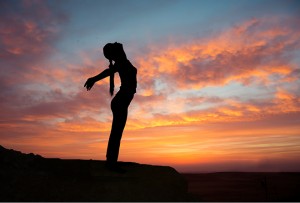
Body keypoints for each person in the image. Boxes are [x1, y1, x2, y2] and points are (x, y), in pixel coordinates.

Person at [84, 42, 137, 173]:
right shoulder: (122, 62)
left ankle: (111, 161)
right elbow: (108, 71)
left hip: (122, 101)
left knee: (117, 132)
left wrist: (94, 79)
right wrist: (94, 79)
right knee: (116, 133)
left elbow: (111, 67)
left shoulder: (123, 61)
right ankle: (111, 163)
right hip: (120, 101)